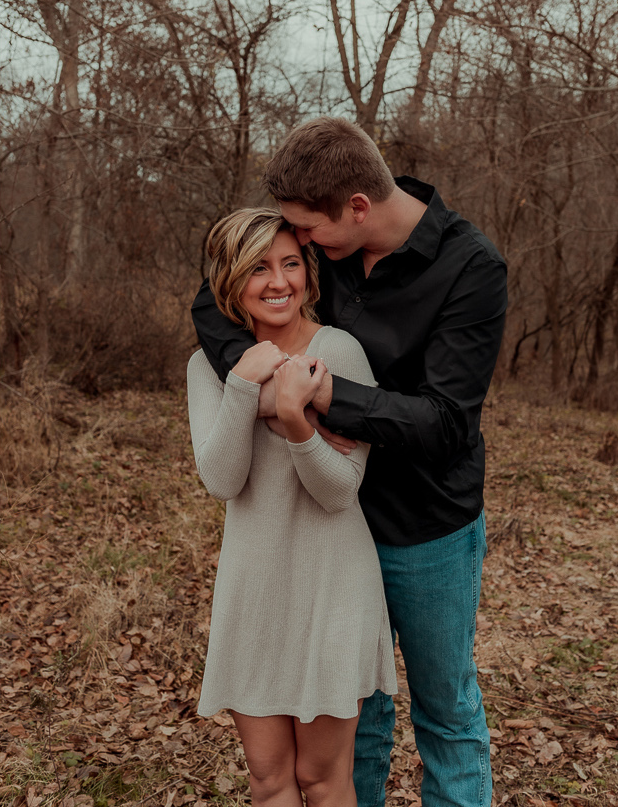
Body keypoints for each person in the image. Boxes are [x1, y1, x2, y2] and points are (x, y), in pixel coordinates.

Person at [192, 118, 507, 807]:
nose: (300, 245)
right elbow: (215, 303)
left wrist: (324, 397)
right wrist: (261, 381)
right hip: (324, 535)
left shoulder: (471, 268)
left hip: (425, 523)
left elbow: (447, 422)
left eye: (308, 234)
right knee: (356, 725)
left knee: (444, 713)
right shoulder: (320, 242)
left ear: (357, 208)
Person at [188, 207, 395, 807]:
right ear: (231, 279)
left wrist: (293, 421)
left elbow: (338, 491)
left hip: (332, 580)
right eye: (259, 268)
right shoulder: (209, 366)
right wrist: (244, 386)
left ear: (308, 272)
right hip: (254, 586)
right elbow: (222, 479)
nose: (279, 282)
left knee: (322, 780)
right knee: (268, 777)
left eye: (290, 264)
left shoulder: (339, 351)